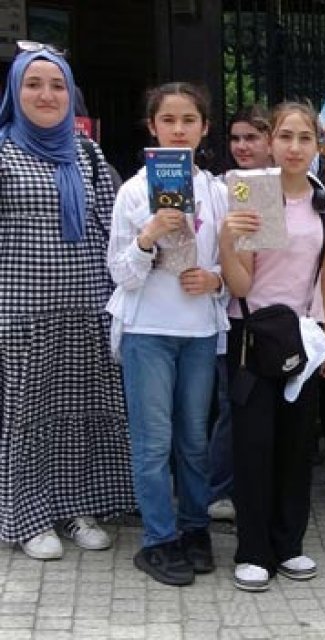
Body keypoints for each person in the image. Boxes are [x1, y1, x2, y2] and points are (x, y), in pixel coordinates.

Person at [0, 45, 132, 561]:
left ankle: (79, 507)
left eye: (57, 85)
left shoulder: (88, 154)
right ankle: (30, 516)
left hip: (87, 307)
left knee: (82, 411)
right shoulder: (4, 152)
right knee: (28, 417)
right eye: (33, 84)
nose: (46, 95)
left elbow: (113, 225)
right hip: (23, 312)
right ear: (15, 91)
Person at [219, 101, 325, 592]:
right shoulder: (255, 192)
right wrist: (229, 242)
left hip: (303, 338)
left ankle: (289, 544)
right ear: (271, 141)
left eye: (304, 138)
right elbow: (242, 286)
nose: (294, 147)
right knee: (254, 445)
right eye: (286, 136)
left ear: (316, 145)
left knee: (296, 446)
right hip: (252, 335)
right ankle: (252, 550)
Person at [108, 82, 227, 586]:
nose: (179, 130)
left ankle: (195, 527)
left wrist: (215, 279)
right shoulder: (134, 191)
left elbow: (235, 263)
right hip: (148, 331)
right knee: (153, 442)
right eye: (169, 121)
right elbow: (120, 273)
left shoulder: (218, 192)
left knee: (194, 440)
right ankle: (159, 538)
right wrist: (148, 236)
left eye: (189, 121)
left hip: (199, 331)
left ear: (204, 128)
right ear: (152, 127)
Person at [209, 102, 274, 524]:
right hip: (231, 312)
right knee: (230, 406)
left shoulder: (288, 185)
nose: (242, 146)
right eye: (235, 138)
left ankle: (256, 487)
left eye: (251, 137)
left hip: (275, 315)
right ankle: (218, 490)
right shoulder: (223, 187)